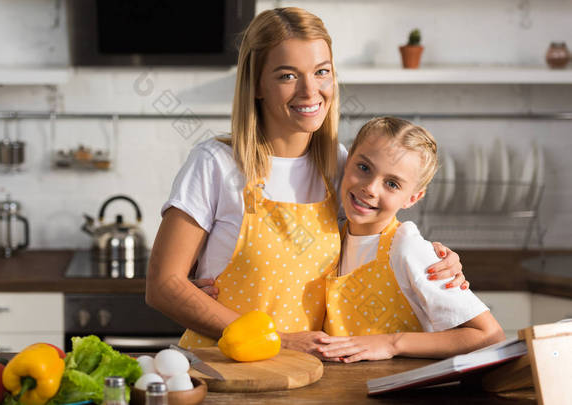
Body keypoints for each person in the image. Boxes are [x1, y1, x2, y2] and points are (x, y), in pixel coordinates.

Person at [146, 7, 467, 358]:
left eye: (322, 72)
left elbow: (379, 241)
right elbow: (163, 286)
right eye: (287, 76)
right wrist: (277, 340)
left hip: (307, 375)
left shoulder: (340, 165)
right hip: (225, 371)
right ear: (255, 84)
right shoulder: (216, 164)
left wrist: (435, 263)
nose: (310, 91)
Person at [317, 117, 505, 362]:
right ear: (347, 160)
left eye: (392, 184)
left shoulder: (406, 246)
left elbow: (490, 335)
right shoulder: (336, 235)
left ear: (412, 198)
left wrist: (393, 343)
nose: (371, 188)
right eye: (364, 168)